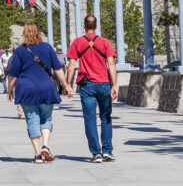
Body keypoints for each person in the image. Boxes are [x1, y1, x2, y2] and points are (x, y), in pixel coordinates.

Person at [9, 23, 72, 163]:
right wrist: (65, 85)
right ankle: (45, 145)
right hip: (46, 89)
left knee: (32, 120)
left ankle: (37, 155)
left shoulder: (19, 51)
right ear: (38, 33)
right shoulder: (48, 48)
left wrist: (9, 90)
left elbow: (13, 75)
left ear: (24, 34)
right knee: (46, 118)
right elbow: (57, 69)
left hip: (27, 89)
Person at [66, 14, 118, 163]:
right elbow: (111, 63)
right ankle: (107, 150)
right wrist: (114, 85)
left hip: (87, 85)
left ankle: (96, 153)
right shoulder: (105, 42)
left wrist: (68, 84)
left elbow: (71, 64)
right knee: (106, 117)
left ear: (84, 26)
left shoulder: (77, 42)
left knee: (90, 119)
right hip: (103, 84)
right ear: (96, 26)